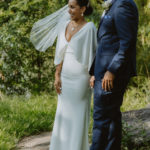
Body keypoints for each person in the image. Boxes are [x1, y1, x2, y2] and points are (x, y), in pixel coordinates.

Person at [30, 0, 97, 150]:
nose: (69, 10)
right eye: (68, 7)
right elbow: (60, 53)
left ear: (83, 9)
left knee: (77, 116)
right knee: (62, 114)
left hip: (81, 79)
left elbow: (93, 55)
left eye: (73, 7)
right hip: (65, 77)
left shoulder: (89, 28)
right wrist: (57, 75)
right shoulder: (64, 25)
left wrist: (93, 75)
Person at [89, 0, 139, 149]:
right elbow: (105, 42)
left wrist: (112, 70)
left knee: (101, 118)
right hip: (102, 72)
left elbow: (127, 42)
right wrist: (94, 72)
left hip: (111, 73)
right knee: (111, 118)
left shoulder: (123, 4)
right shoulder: (115, 4)